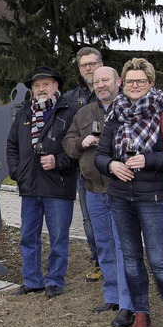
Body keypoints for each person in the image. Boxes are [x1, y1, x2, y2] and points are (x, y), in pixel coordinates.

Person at [95, 58, 163, 327]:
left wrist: (148, 160)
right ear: (123, 83)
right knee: (132, 260)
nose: (135, 85)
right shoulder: (115, 115)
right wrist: (111, 165)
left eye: (141, 81)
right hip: (121, 197)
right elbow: (100, 155)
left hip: (154, 197)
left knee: (158, 260)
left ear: (150, 83)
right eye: (131, 81)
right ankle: (141, 314)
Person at [63, 66, 134, 327]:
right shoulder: (84, 113)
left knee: (123, 246)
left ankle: (129, 303)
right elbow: (68, 145)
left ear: (119, 81)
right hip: (94, 189)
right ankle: (113, 296)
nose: (101, 85)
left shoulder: (130, 108)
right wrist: (82, 143)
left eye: (106, 80)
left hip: (122, 189)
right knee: (104, 245)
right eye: (96, 81)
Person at [7, 65, 77, 298]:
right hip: (30, 185)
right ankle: (32, 280)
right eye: (36, 85)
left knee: (58, 237)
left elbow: (77, 150)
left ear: (56, 85)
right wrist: (17, 171)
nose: (40, 89)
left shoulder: (69, 112)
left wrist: (59, 161)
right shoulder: (25, 112)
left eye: (45, 84)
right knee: (28, 236)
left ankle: (55, 280)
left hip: (58, 185)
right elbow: (12, 145)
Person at [63, 47, 103, 283]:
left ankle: (118, 259)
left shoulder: (111, 91)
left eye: (92, 63)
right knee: (89, 219)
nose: (88, 68)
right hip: (84, 169)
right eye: (83, 65)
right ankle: (98, 260)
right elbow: (66, 132)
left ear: (101, 64)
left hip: (112, 168)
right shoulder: (71, 97)